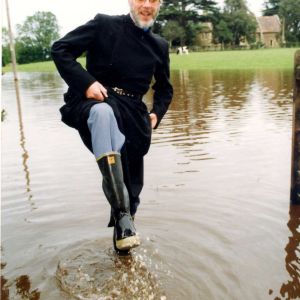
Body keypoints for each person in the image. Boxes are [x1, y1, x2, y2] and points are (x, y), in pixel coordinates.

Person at [51, 0, 173, 253]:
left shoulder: (159, 46)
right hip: (97, 100)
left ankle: (123, 248)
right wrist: (86, 83)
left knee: (133, 191)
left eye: (154, 0)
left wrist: (156, 114)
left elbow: (164, 88)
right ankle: (121, 214)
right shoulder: (104, 24)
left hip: (134, 115)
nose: (147, 5)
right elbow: (60, 49)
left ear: (159, 4)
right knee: (104, 114)